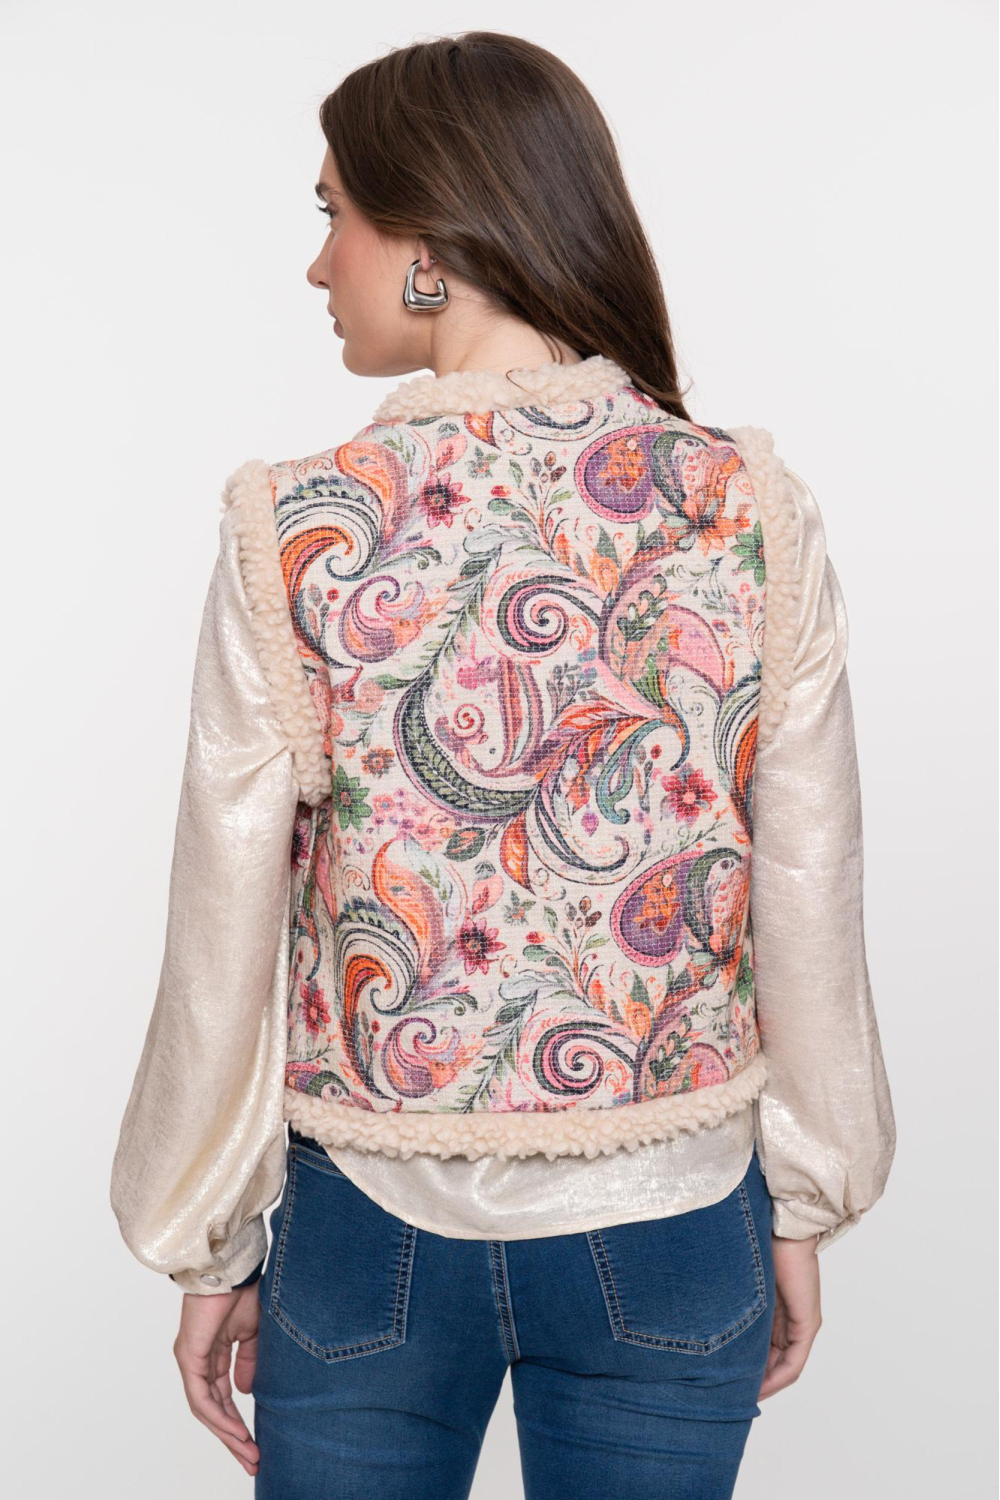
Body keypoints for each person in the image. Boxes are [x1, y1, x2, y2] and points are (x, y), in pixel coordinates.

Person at [109, 30, 896, 1500]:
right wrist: (805, 1192)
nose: (317, 263)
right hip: (674, 1220)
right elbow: (810, 880)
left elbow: (223, 926)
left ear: (429, 245)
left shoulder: (301, 527)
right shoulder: (745, 505)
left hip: (368, 1232)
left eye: (333, 212)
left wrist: (205, 1238)